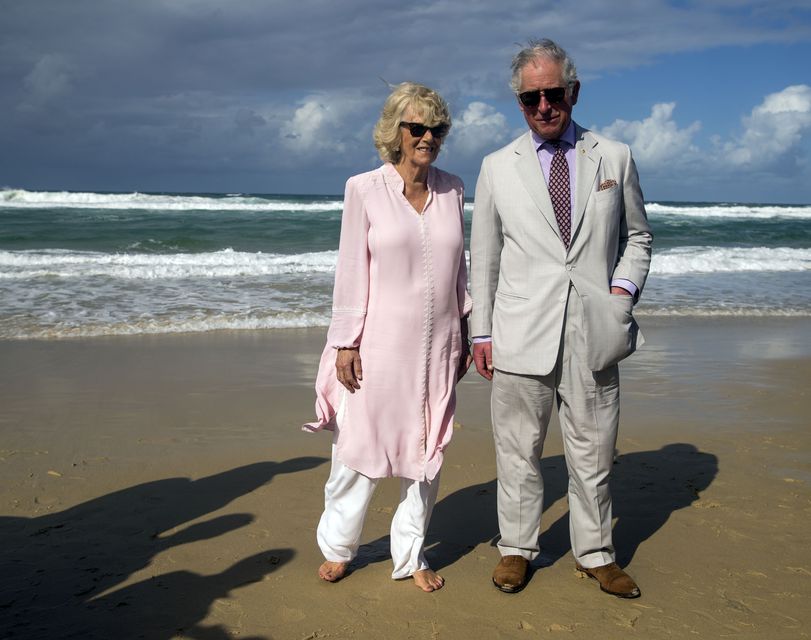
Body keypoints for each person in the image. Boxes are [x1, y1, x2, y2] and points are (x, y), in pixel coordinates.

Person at [470, 39, 653, 598]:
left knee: (594, 450)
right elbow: (486, 256)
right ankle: (517, 549)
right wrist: (481, 331)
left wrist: (620, 294)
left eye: (553, 94)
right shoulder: (497, 167)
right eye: (531, 98)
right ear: (519, 102)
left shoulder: (613, 156)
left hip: (593, 329)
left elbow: (638, 237)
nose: (544, 106)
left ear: (573, 91)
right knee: (518, 450)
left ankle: (596, 552)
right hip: (521, 330)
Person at [304, 82, 472, 592]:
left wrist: (467, 327)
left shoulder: (454, 188)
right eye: (416, 128)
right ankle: (338, 546)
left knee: (426, 451)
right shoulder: (364, 188)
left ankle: (411, 555)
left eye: (436, 129)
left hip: (439, 345)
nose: (427, 137)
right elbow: (351, 269)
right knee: (360, 447)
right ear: (395, 133)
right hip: (378, 345)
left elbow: (459, 268)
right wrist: (345, 342)